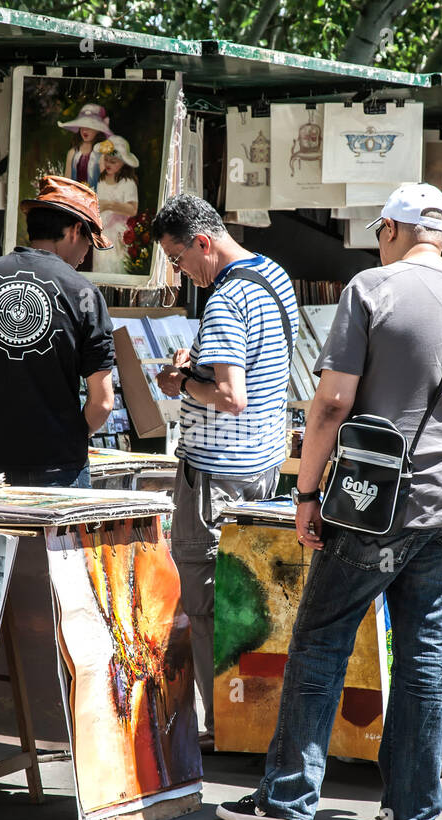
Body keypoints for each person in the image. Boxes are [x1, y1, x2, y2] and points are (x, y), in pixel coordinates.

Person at [215, 183, 442, 820]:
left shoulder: (370, 291)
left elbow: (329, 404)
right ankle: (415, 807)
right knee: (426, 654)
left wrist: (305, 493)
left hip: (371, 508)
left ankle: (289, 799)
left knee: (322, 641)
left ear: (392, 231)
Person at [151, 194, 298, 749]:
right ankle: (250, 716)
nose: (179, 269)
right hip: (260, 464)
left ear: (203, 243)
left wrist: (180, 383)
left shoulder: (226, 297)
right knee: (250, 594)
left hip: (217, 472)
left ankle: (222, 725)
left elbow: (231, 395)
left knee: (208, 598)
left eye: (178, 256)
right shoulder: (273, 275)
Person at [0, 175, 116, 488]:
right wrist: (64, 436)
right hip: (59, 470)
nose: (85, 254)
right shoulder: (84, 293)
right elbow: (102, 402)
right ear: (75, 229)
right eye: (88, 242)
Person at [92, 135, 140, 275]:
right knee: (100, 269)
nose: (108, 164)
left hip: (119, 235)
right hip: (102, 234)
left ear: (123, 163)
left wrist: (109, 205)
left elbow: (133, 209)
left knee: (117, 269)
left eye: (113, 161)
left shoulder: (128, 183)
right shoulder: (100, 181)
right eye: (106, 160)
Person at [59, 103, 112, 190]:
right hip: (74, 198)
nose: (85, 130)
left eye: (90, 126)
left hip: (95, 199)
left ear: (98, 130)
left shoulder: (102, 154)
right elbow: (67, 182)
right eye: (82, 125)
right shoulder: (72, 153)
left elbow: (106, 184)